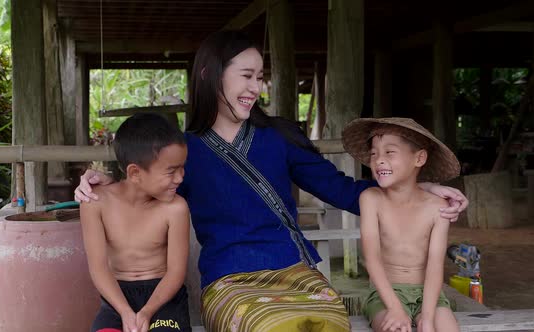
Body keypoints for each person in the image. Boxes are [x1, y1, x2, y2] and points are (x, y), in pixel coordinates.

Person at [75, 31, 468, 332]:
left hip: (296, 271)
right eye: (246, 76)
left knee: (328, 324)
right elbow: (140, 185)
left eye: (260, 78)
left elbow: (343, 192)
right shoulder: (185, 150)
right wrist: (98, 182)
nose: (256, 88)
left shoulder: (278, 137)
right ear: (211, 75)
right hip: (229, 280)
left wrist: (418, 188)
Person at [342, 117, 460, 332]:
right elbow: (372, 260)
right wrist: (395, 308)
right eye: (374, 153)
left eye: (390, 152)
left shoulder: (437, 207)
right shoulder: (371, 199)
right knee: (396, 328)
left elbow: (435, 266)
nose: (379, 160)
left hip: (429, 294)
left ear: (419, 158)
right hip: (385, 295)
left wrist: (428, 315)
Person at [80, 113, 191, 332]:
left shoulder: (176, 208)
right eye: (171, 171)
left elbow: (176, 272)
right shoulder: (95, 202)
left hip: (164, 298)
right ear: (135, 172)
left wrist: (147, 311)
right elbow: (99, 268)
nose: (180, 178)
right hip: (117, 298)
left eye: (182, 167)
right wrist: (124, 311)